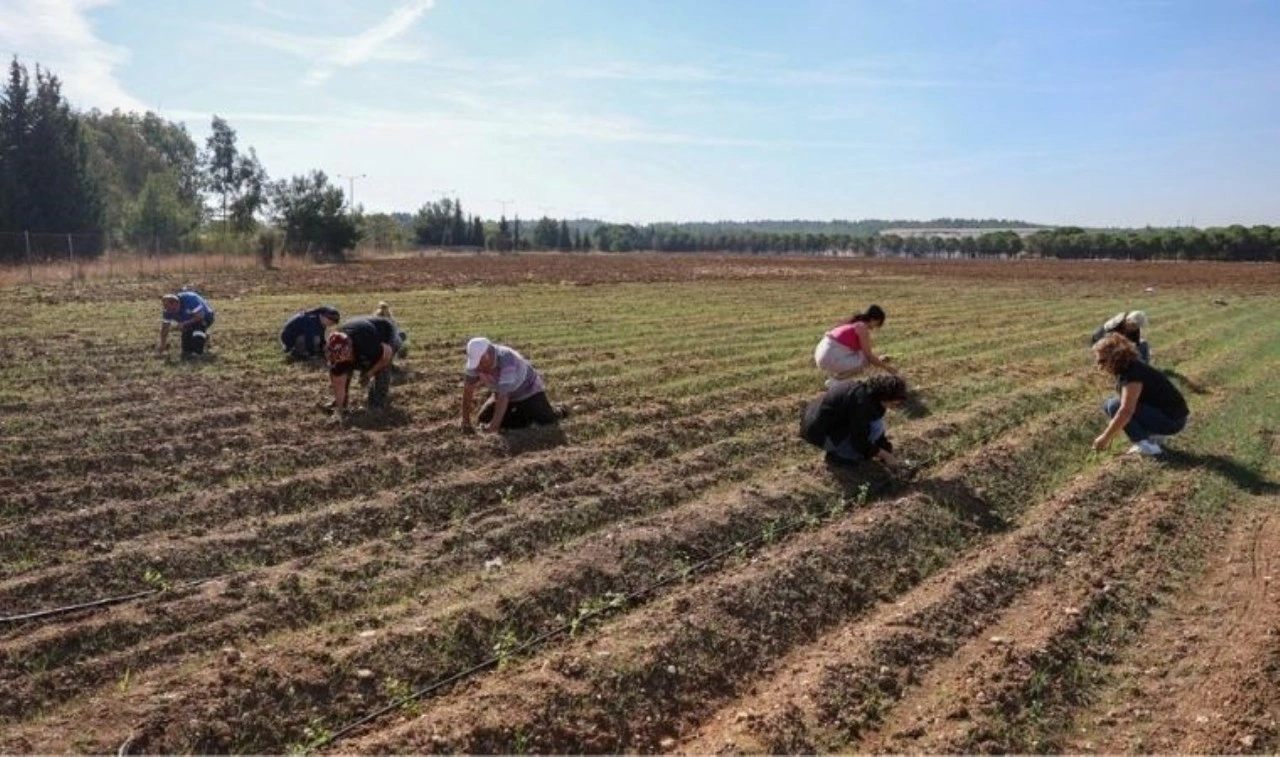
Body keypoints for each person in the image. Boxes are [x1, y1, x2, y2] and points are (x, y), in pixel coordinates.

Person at [1091, 332, 1188, 456]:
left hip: (1173, 421)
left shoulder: (1133, 374)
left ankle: (1146, 445)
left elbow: (1126, 411)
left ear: (1115, 357)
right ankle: (1151, 437)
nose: (1099, 366)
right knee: (1109, 403)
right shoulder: (1130, 367)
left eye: (1102, 361)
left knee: (1115, 405)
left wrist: (1105, 438)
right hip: (1167, 415)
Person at [799, 373, 909, 469]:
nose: (896, 406)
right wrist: (884, 455)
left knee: (876, 425)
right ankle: (839, 456)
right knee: (861, 446)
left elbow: (875, 431)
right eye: (895, 402)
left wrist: (887, 450)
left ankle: (844, 449)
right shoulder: (861, 404)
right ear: (886, 396)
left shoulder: (869, 394)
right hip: (818, 434)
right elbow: (859, 440)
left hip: (823, 421)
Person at [460, 337, 563, 432]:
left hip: (528, 391)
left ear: (488, 353)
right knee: (484, 419)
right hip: (501, 394)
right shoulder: (474, 365)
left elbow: (503, 396)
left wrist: (494, 426)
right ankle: (521, 416)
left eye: (481, 362)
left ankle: (559, 409)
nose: (478, 367)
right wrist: (465, 421)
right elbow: (468, 391)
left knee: (546, 420)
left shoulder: (506, 359)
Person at [324, 316, 402, 411]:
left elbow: (387, 355)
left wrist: (369, 374)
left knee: (383, 369)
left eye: (343, 358)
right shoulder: (336, 358)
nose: (339, 361)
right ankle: (342, 403)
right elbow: (338, 382)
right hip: (363, 328)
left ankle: (378, 403)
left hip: (386, 333)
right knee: (342, 369)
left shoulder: (368, 345)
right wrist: (340, 408)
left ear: (350, 350)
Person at [813, 304, 896, 386]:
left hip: (821, 354)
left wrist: (878, 360)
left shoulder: (851, 324)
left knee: (861, 357)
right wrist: (888, 368)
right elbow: (868, 356)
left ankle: (836, 380)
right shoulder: (862, 328)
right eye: (878, 324)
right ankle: (836, 381)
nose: (876, 327)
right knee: (864, 361)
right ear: (874, 320)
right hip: (829, 357)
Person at [157, 290, 215, 358]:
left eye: (170, 308)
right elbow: (165, 328)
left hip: (205, 317)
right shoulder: (167, 310)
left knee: (197, 334)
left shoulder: (191, 299)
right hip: (187, 321)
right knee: (186, 350)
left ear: (176, 303)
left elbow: (200, 316)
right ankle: (200, 339)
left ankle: (198, 351)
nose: (168, 310)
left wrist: (184, 324)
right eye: (165, 307)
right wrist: (162, 345)